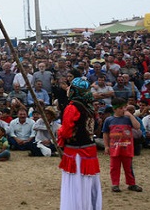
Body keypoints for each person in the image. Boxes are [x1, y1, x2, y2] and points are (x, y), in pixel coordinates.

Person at [57, 77, 102, 210]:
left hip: (76, 152)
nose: (68, 89)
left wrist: (59, 131)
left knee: (76, 183)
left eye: (70, 87)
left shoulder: (72, 107)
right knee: (87, 182)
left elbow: (66, 131)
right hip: (89, 149)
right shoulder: (89, 107)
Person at [101, 99, 143, 193]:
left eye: (124, 108)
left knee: (128, 167)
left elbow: (137, 126)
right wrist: (106, 146)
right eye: (120, 108)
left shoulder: (128, 119)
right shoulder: (109, 120)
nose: (123, 110)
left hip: (127, 148)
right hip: (114, 148)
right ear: (114, 109)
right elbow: (105, 133)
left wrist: (130, 116)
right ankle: (115, 184)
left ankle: (131, 183)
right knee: (114, 167)